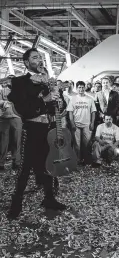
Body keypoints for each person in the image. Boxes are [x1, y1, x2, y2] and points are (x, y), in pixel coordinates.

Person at [5, 48, 67, 219]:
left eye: (40, 57)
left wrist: (59, 97)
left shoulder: (48, 82)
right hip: (31, 129)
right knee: (25, 169)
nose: (39, 60)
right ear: (26, 63)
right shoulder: (20, 82)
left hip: (48, 128)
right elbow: (23, 108)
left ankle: (49, 198)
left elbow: (60, 108)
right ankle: (15, 205)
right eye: (34, 57)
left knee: (48, 164)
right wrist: (44, 99)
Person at [67, 81, 96, 165]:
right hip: (76, 124)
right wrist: (72, 123)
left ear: (85, 88)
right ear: (77, 89)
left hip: (87, 124)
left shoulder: (90, 99)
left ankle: (85, 160)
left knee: (86, 144)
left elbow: (93, 112)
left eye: (82, 87)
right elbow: (70, 112)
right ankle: (76, 161)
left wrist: (92, 123)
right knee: (77, 145)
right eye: (79, 87)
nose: (81, 89)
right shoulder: (73, 99)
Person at [0, 75, 22, 171]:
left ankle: (16, 162)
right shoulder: (2, 91)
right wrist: (3, 103)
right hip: (4, 118)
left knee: (17, 140)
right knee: (3, 141)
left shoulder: (20, 91)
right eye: (9, 80)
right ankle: (1, 163)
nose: (10, 83)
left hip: (17, 118)